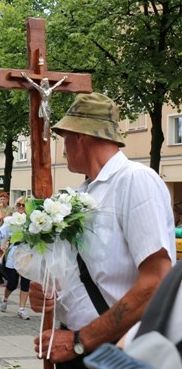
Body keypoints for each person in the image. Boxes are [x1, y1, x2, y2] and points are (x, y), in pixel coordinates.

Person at [29, 92, 175, 368]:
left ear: (81, 136)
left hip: (116, 350)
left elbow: (157, 282)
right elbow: (92, 270)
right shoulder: (83, 191)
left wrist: (79, 340)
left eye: (65, 137)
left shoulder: (135, 180)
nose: (63, 147)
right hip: (78, 347)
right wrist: (50, 292)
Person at [0, 197, 31, 320]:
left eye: (23, 205)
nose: (21, 207)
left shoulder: (31, 221)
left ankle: (21, 309)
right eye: (19, 205)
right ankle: (5, 299)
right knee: (12, 284)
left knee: (25, 283)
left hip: (27, 254)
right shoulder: (10, 220)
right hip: (14, 253)